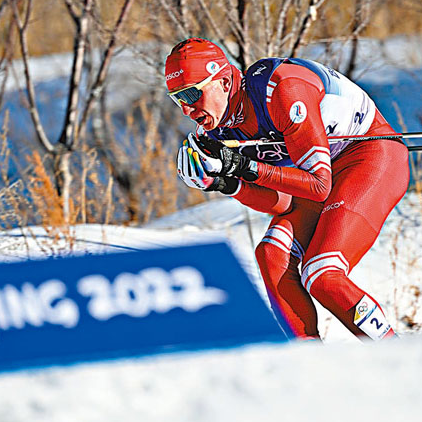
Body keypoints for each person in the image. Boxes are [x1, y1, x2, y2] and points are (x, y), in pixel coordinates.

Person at [166, 38, 409, 341]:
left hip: (369, 156)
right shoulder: (218, 129)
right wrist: (225, 183)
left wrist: (245, 167)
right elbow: (281, 203)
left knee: (321, 273)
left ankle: (396, 353)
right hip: (323, 175)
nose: (187, 110)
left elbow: (319, 186)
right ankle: (309, 364)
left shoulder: (280, 90)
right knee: (271, 255)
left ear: (224, 81)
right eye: (177, 99)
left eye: (191, 94)